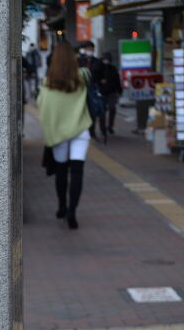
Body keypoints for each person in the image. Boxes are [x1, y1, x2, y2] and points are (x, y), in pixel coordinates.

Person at [37, 40, 93, 230]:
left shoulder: (47, 84)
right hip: (80, 130)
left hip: (58, 133)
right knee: (78, 171)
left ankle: (61, 205)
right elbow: (90, 74)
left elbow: (41, 106)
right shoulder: (82, 76)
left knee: (61, 170)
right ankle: (72, 211)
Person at [78, 41, 104, 141]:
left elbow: (102, 75)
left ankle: (91, 131)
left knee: (93, 111)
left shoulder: (98, 62)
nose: (90, 51)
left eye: (91, 49)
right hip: (81, 89)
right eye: (88, 49)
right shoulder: (78, 61)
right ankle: (82, 130)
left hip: (93, 89)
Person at [98, 52, 122, 137]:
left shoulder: (113, 69)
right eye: (105, 59)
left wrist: (119, 90)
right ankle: (102, 128)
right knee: (102, 111)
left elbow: (117, 80)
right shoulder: (99, 68)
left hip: (112, 92)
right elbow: (94, 79)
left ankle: (110, 126)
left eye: (108, 59)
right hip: (101, 92)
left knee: (112, 108)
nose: (106, 60)